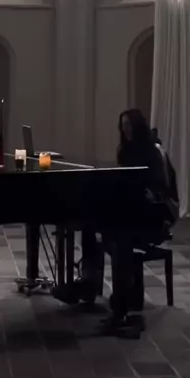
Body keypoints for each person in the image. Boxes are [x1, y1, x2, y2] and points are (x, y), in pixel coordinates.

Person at [77, 109, 178, 337]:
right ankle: (89, 283)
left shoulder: (154, 152)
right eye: (122, 125)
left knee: (119, 241)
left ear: (138, 126)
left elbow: (162, 190)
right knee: (91, 225)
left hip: (154, 216)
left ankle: (121, 305)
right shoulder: (124, 151)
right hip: (133, 211)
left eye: (129, 124)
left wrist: (147, 193)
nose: (125, 129)